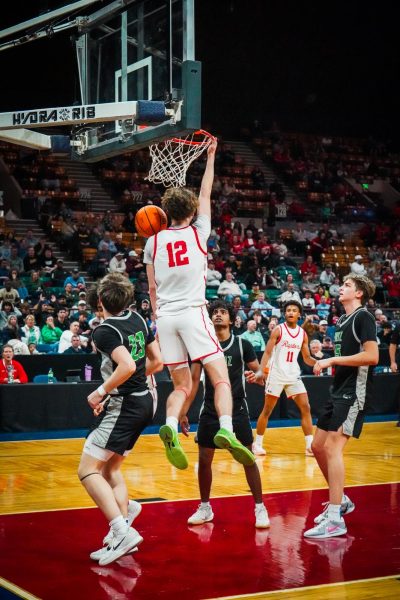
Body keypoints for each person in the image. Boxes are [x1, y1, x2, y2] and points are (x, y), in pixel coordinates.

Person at [144, 139, 254, 470]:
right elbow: (206, 194)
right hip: (193, 313)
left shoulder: (152, 240)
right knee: (220, 379)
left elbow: (151, 287)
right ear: (191, 211)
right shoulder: (198, 231)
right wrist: (210, 157)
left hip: (165, 318)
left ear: (165, 213)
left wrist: (157, 313)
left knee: (182, 385)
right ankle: (226, 429)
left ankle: (171, 423)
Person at [77, 272, 163, 565]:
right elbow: (157, 362)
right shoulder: (138, 319)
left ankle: (121, 529)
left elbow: (126, 365)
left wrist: (101, 392)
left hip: (127, 405)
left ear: (100, 300)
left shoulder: (103, 330)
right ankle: (123, 521)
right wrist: (123, 386)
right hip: (145, 402)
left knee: (87, 470)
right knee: (110, 470)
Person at [181, 301, 269, 528]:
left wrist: (257, 376)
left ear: (231, 319)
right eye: (215, 313)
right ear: (209, 319)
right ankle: (205, 506)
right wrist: (183, 412)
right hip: (210, 410)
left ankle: (260, 508)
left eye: (223, 312)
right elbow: (191, 382)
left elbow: (259, 371)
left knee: (248, 458)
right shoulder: (202, 348)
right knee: (204, 459)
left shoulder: (242, 344)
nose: (218, 315)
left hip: (237, 409)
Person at [304, 274, 378, 539]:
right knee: (317, 446)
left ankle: (335, 519)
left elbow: (372, 356)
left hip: (354, 393)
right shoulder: (341, 320)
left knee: (333, 447)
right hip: (338, 390)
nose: (342, 287)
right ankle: (342, 500)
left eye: (347, 285)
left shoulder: (363, 317)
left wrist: (332, 360)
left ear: (359, 294)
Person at [251, 301, 317, 456]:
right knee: (267, 410)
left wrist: (319, 363)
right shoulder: (278, 330)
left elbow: (307, 358)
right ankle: (257, 444)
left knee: (306, 407)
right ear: (284, 313)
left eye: (294, 310)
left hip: (293, 375)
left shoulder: (303, 334)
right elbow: (267, 353)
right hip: (276, 374)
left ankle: (309, 446)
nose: (291, 312)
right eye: (288, 310)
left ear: (299, 314)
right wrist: (261, 371)